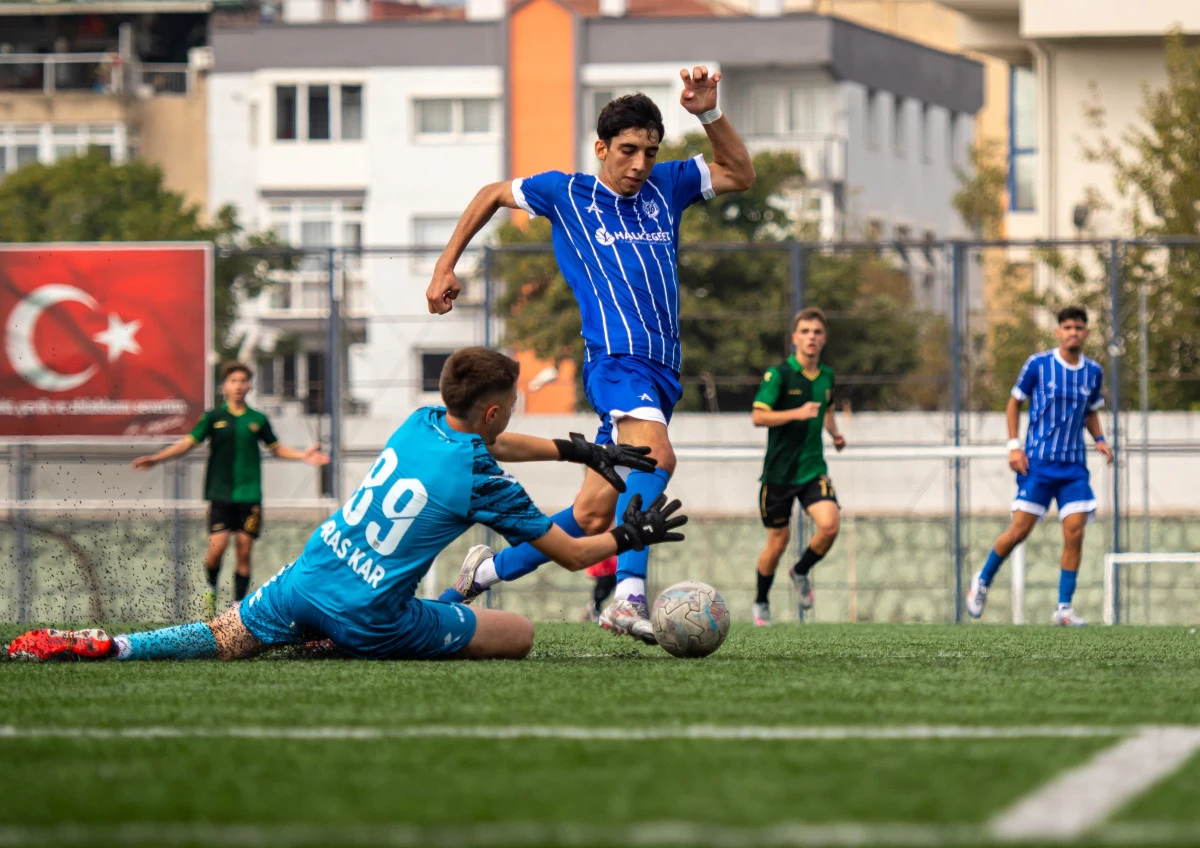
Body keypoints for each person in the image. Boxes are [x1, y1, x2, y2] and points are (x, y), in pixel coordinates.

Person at [8, 347, 686, 663]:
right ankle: (338, 641)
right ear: (492, 409)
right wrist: (633, 535)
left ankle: (115, 646)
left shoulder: (420, 422)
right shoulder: (483, 479)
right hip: (372, 618)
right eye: (510, 405)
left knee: (221, 638)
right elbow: (572, 556)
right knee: (517, 635)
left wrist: (574, 451)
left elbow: (493, 441)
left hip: (311, 573)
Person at [426, 67, 755, 643]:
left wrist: (708, 113)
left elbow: (740, 173)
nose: (639, 164)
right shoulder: (566, 193)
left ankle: (481, 575)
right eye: (627, 151)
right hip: (616, 361)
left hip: (662, 369)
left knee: (592, 516)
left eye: (649, 152)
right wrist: (444, 265)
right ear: (601, 148)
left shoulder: (668, 185)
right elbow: (492, 194)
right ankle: (627, 597)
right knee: (655, 457)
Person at [132, 361, 329, 618]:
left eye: (243, 381)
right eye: (233, 381)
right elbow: (188, 442)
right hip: (220, 494)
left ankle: (237, 609)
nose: (238, 385)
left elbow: (276, 448)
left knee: (244, 551)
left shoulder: (257, 419)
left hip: (249, 495)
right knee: (216, 550)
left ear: (249, 386)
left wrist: (303, 455)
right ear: (224, 387)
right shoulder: (214, 417)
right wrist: (157, 458)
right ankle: (211, 589)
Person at [967, 306, 1114, 626]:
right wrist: (1013, 446)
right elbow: (1013, 403)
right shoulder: (1038, 364)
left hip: (1073, 468)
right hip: (1037, 465)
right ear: (1058, 332)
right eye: (1067, 327)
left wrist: (1100, 439)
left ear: (1086, 333)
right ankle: (983, 579)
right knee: (1019, 531)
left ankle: (1064, 608)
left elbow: (1091, 410)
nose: (1073, 332)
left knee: (1074, 532)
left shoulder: (1093, 372)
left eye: (1079, 327)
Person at [749, 308, 845, 626]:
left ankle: (801, 571)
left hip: (812, 468)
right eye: (805, 331)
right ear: (794, 338)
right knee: (778, 543)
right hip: (778, 474)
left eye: (817, 332)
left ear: (825, 338)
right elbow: (758, 416)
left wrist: (835, 434)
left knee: (829, 525)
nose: (811, 337)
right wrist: (797, 413)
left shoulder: (827, 375)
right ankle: (761, 601)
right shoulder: (779, 375)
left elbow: (827, 408)